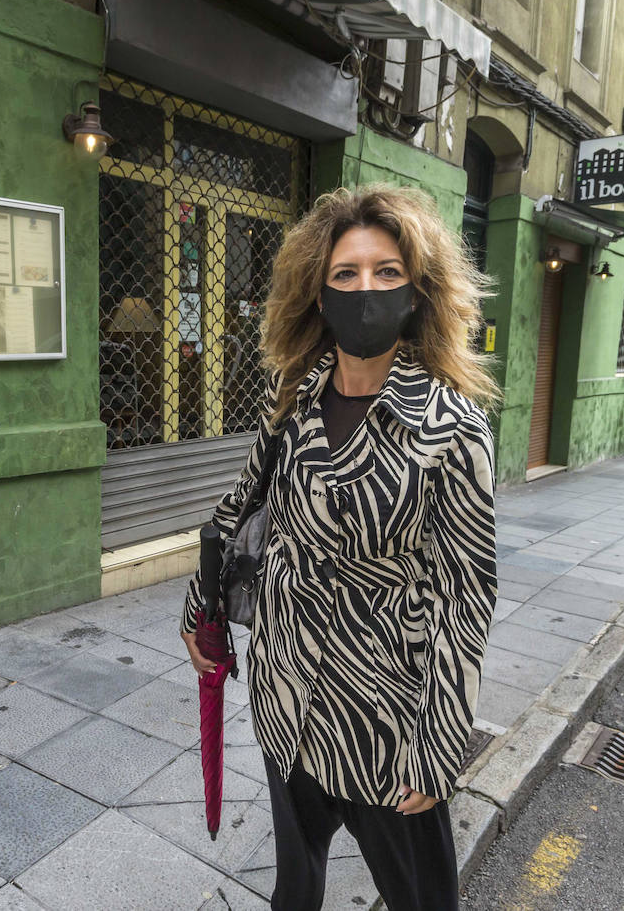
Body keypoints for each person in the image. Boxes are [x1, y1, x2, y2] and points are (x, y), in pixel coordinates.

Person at [180, 184, 498, 911]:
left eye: (387, 272)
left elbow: (465, 596)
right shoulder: (293, 396)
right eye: (346, 274)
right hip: (288, 692)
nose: (366, 290)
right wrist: (199, 607)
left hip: (384, 719)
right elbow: (242, 503)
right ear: (318, 296)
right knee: (295, 887)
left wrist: (440, 742)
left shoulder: (453, 429)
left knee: (422, 899)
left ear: (417, 293)